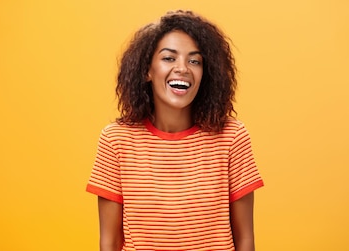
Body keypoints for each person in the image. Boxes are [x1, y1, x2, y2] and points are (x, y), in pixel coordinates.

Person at [86, 10, 264, 251]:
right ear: (147, 71)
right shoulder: (116, 141)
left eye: (195, 61)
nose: (183, 68)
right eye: (169, 58)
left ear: (205, 74)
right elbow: (110, 242)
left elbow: (245, 241)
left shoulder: (232, 137)